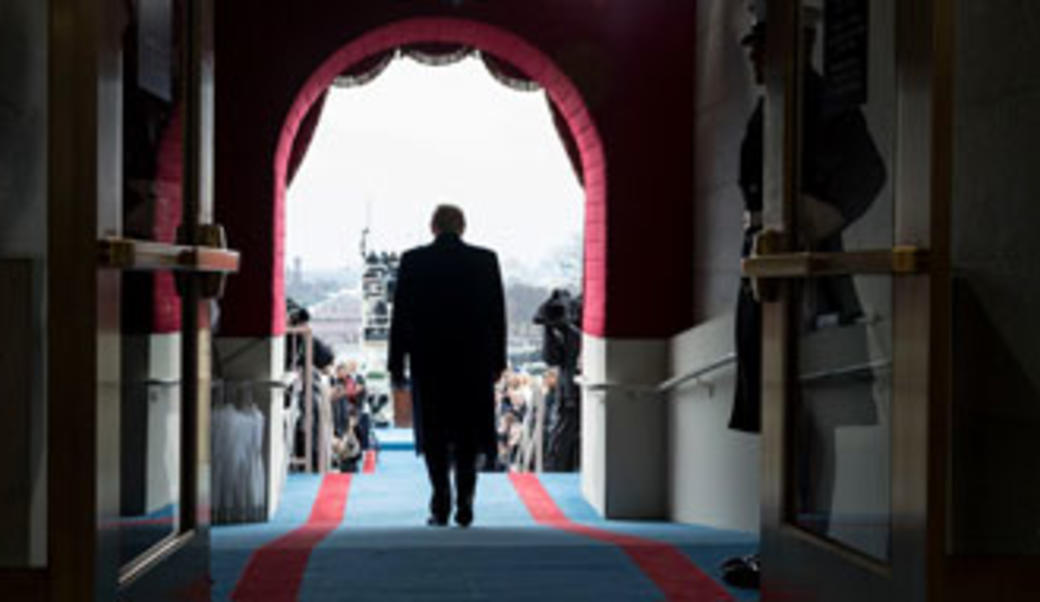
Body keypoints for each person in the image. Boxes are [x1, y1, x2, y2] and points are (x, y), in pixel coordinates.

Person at [388, 204, 506, 527]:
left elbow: (400, 318)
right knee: (469, 435)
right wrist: (498, 362)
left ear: (433, 227)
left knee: (435, 435)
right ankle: (466, 501)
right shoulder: (485, 261)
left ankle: (441, 501)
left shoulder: (413, 261)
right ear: (463, 227)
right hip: (474, 363)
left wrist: (396, 365)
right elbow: (498, 316)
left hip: (430, 362)